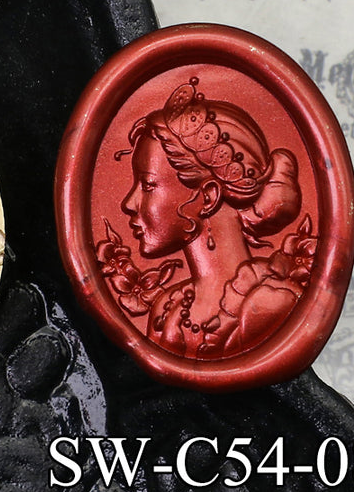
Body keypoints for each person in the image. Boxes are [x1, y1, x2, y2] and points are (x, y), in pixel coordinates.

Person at [103, 76, 316, 360]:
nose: (128, 204)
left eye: (148, 185)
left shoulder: (271, 303)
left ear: (208, 196)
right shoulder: (169, 307)